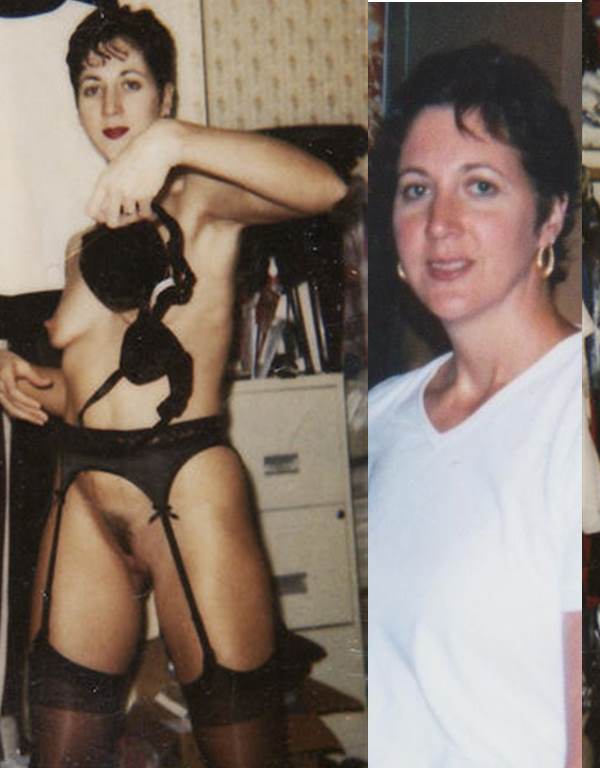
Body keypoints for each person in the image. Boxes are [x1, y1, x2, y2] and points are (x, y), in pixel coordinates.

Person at [0, 6, 346, 767]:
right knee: (58, 742)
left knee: (239, 745)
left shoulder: (201, 199)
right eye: (92, 87)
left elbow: (324, 187)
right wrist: (19, 376)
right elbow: (87, 392)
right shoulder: (82, 244)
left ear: (166, 95)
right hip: (82, 489)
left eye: (131, 83)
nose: (111, 104)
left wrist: (176, 142)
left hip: (184, 485)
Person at [367, 43, 582, 768]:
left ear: (549, 217)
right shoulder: (384, 414)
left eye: (480, 186)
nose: (440, 222)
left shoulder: (572, 416)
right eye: (416, 190)